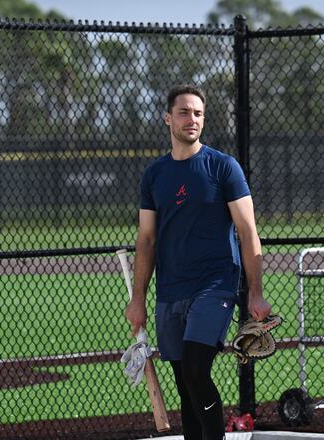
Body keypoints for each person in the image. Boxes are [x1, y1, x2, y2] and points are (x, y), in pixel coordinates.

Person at [125, 84, 272, 440]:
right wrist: (138, 300)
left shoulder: (223, 167)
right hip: (170, 291)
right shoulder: (155, 174)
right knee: (184, 386)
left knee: (194, 370)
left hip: (216, 284)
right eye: (184, 112)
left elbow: (248, 231)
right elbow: (146, 240)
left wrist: (255, 293)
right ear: (167, 118)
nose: (192, 119)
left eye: (198, 113)